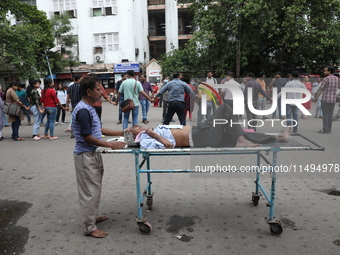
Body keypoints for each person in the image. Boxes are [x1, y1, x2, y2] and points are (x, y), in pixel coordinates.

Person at [72, 76, 126, 238]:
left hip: (93, 153)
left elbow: (99, 130)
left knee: (94, 188)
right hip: (85, 155)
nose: (101, 92)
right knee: (90, 190)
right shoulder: (83, 110)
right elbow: (87, 137)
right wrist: (111, 145)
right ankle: (89, 227)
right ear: (89, 92)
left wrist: (123, 132)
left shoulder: (89, 108)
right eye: (98, 90)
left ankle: (92, 217)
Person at [125, 103, 290, 149]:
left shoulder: (148, 132)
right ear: (135, 136)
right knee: (224, 108)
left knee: (238, 133)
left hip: (200, 130)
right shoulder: (146, 140)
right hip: (200, 138)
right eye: (134, 128)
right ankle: (240, 139)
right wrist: (152, 134)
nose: (136, 125)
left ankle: (277, 137)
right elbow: (168, 144)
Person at [313, 66, 340, 134]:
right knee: (330, 114)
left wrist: (316, 98)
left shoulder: (326, 79)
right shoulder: (337, 79)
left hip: (325, 99)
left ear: (329, 71)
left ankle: (325, 129)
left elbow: (321, 89)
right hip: (333, 99)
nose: (324, 72)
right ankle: (329, 129)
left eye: (325, 70)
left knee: (325, 114)